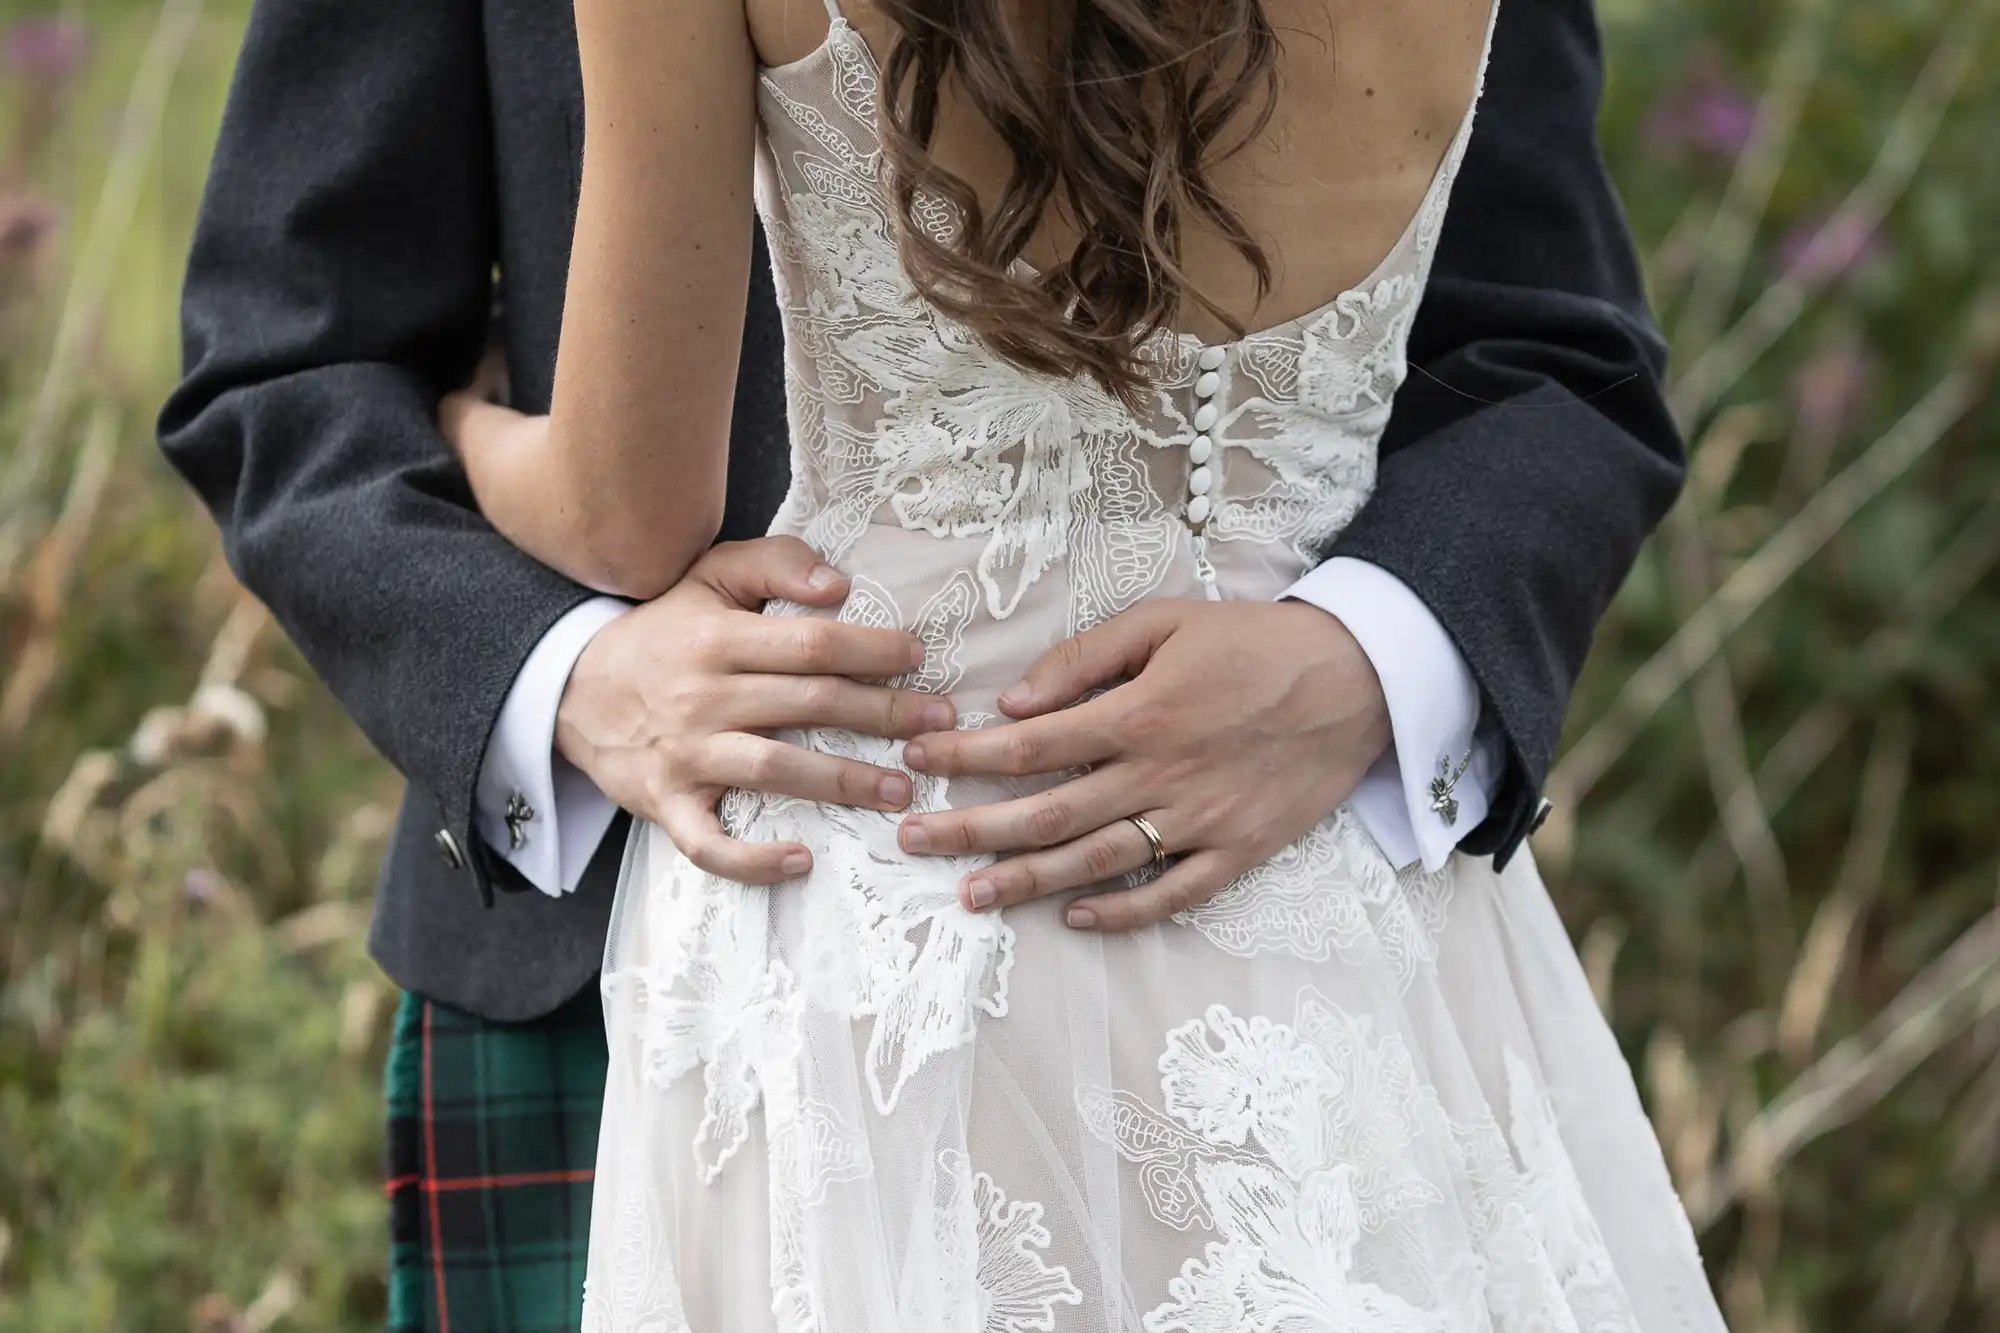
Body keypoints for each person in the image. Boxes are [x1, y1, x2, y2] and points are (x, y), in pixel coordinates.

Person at [158, 0, 1721, 1329]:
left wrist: (1367, 665)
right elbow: (286, 356)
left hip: (993, 919)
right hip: (612, 942)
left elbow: (1559, 351)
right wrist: (564, 678)